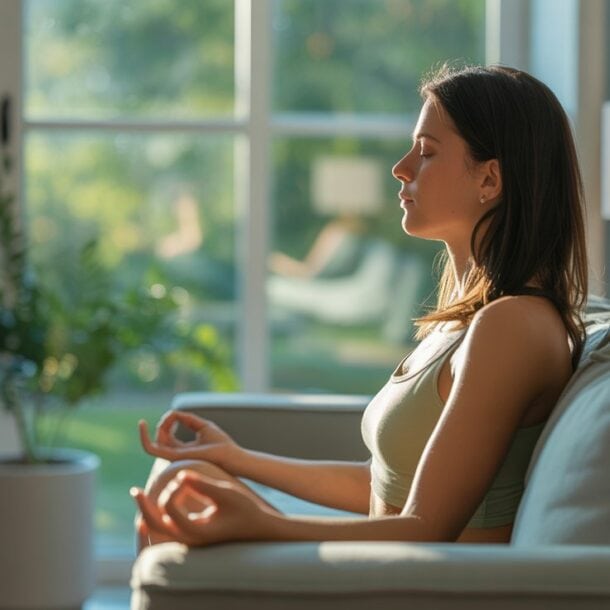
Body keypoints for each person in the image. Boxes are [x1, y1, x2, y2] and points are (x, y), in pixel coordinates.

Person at [131, 64, 588, 548]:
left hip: (421, 586)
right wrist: (235, 458)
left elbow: (426, 528)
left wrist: (263, 524)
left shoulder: (513, 325)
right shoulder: (467, 321)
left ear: (490, 180)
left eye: (427, 152)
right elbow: (379, 484)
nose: (401, 167)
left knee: (176, 490)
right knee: (187, 477)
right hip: (379, 569)